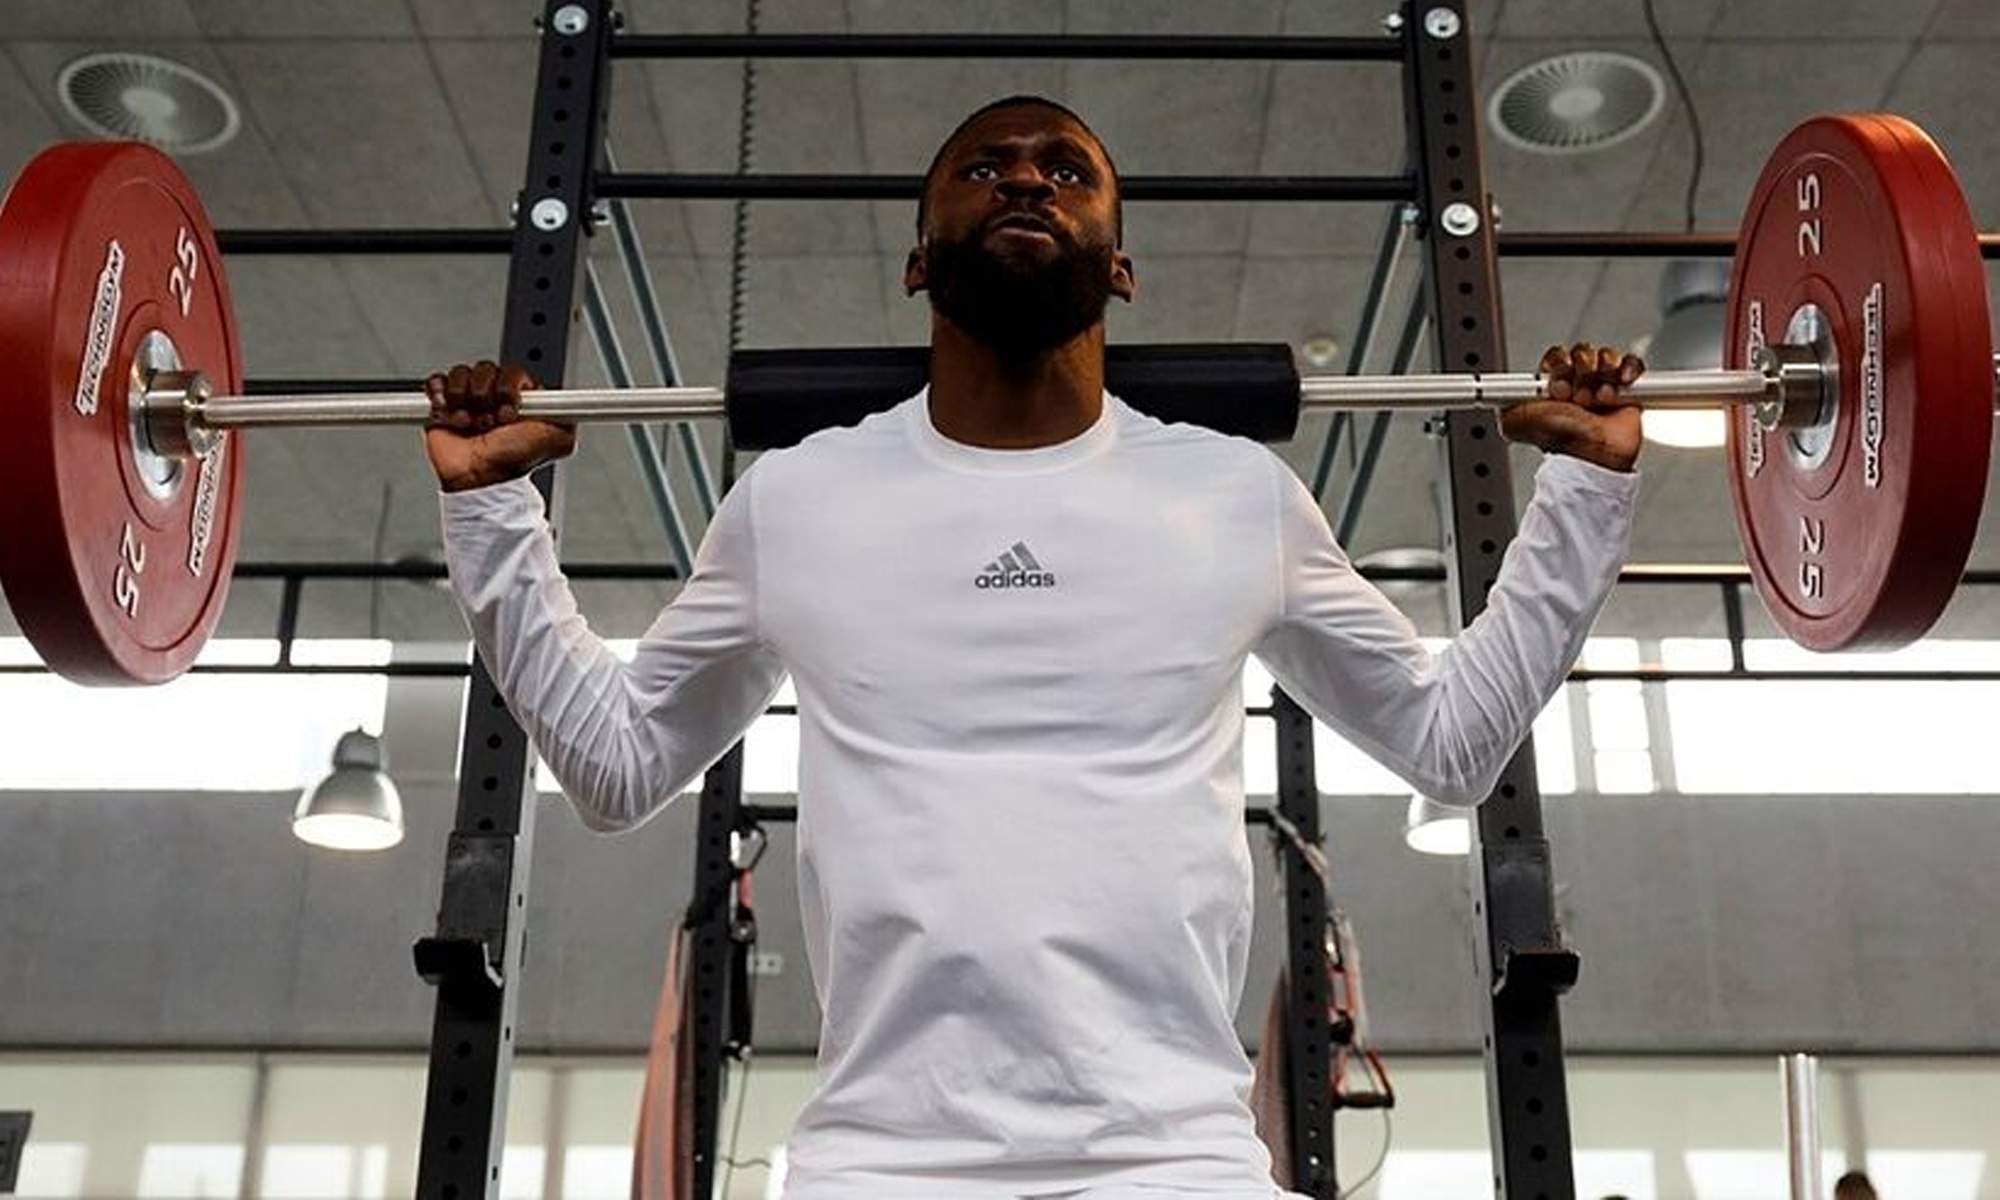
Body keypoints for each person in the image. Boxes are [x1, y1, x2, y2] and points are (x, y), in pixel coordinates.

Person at [428, 95, 1643, 1200]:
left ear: (1119, 266)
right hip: (881, 1161)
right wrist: (491, 516)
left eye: (1065, 171)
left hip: (1176, 1157)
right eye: (984, 168)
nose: (1023, 183)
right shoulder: (797, 501)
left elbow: (1448, 743)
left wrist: (1583, 495)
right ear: (915, 259)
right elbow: (615, 767)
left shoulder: (1234, 495)